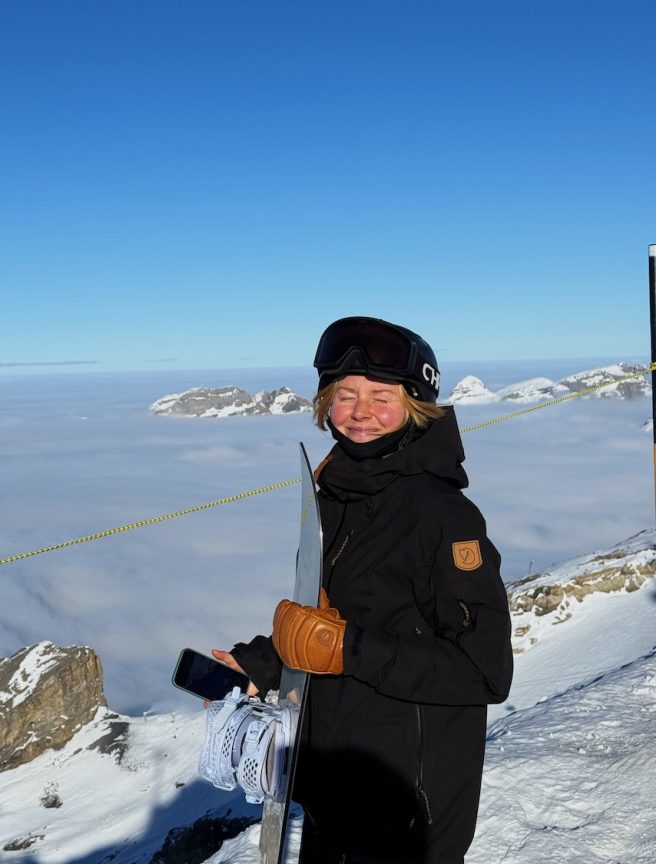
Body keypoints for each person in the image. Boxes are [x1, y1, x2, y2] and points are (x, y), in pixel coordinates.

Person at [212, 316, 513, 864]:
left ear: (417, 405)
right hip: (338, 793)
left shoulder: (441, 514)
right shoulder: (339, 492)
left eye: (382, 397)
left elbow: (486, 671)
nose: (360, 412)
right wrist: (267, 662)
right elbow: (344, 614)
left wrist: (346, 648)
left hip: (405, 815)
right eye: (345, 395)